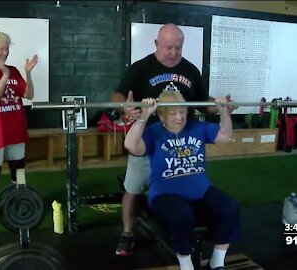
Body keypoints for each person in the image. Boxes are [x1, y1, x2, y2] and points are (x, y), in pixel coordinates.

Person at [111, 23, 217, 256]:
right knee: (133, 188)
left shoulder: (190, 70)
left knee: (182, 188)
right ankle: (127, 233)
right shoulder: (140, 68)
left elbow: (203, 102)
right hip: (148, 141)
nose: (173, 53)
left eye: (178, 48)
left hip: (180, 145)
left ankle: (181, 227)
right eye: (169, 47)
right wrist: (124, 107)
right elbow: (119, 94)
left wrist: (219, 106)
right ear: (156, 44)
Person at [124, 91, 242, 270]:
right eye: (173, 113)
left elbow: (225, 135)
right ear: (162, 115)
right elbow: (132, 146)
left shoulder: (198, 127)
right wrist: (144, 116)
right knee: (182, 216)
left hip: (201, 191)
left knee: (230, 207)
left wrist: (224, 112)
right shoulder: (153, 132)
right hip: (166, 194)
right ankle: (186, 265)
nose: (179, 118)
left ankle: (217, 262)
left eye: (183, 112)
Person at [0, 30, 38, 230]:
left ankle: (18, 202)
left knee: (18, 169)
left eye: (7, 48)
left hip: (15, 128)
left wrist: (27, 72)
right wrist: (4, 76)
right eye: (1, 49)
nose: (5, 52)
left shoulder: (14, 71)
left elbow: (29, 94)